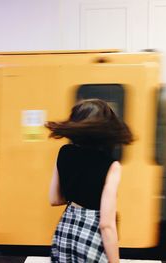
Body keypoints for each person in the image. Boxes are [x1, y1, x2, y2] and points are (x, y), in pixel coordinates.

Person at [46, 99, 133, 263]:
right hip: (91, 233)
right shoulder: (111, 165)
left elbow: (55, 199)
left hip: (66, 229)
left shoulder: (64, 152)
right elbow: (106, 225)